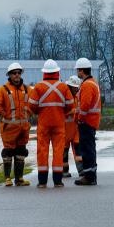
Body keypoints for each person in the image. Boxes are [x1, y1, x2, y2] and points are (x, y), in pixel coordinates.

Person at [27, 59, 74, 188]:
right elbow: (70, 105)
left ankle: (42, 181)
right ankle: (58, 181)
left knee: (42, 150)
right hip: (59, 123)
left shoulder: (38, 87)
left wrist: (39, 111)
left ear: (44, 73)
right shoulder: (63, 87)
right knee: (59, 151)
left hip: (44, 124)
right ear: (57, 72)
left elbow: (31, 106)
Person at [0, 62, 32, 187]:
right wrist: (7, 115)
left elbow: (33, 104)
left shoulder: (27, 89)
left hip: (23, 127)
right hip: (9, 128)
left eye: (19, 73)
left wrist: (29, 114)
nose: (17, 75)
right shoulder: (3, 89)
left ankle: (19, 178)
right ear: (9, 75)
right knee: (8, 153)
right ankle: (7, 178)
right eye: (14, 73)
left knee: (21, 152)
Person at [73, 57, 101, 186]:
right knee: (90, 149)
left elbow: (84, 106)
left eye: (78, 70)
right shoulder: (92, 83)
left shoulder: (87, 85)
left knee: (87, 150)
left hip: (87, 122)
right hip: (91, 121)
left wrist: (79, 119)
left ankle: (89, 176)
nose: (77, 73)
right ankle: (91, 175)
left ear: (82, 70)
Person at [63, 75, 82, 177]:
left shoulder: (77, 97)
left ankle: (81, 171)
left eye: (77, 88)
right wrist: (73, 111)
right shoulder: (64, 98)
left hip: (75, 129)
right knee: (64, 152)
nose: (76, 89)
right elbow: (61, 112)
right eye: (75, 88)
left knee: (78, 152)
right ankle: (64, 171)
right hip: (65, 129)